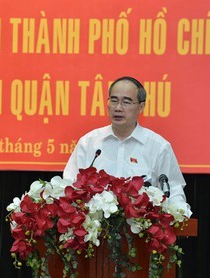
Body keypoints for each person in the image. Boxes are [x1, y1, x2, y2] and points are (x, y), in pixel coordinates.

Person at [63, 76, 188, 204]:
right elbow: (69, 184)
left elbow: (174, 192)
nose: (118, 108)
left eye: (126, 102)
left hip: (140, 222)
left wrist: (179, 212)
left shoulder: (158, 147)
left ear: (141, 107)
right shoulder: (89, 143)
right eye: (114, 100)